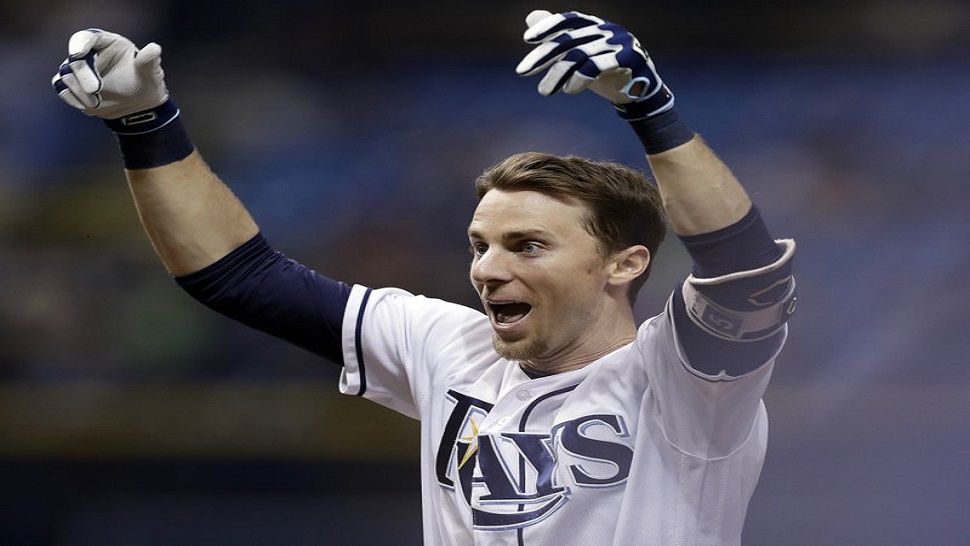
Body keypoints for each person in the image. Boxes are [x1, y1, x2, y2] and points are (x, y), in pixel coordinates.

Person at [52, 9, 796, 545]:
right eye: (481, 244)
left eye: (528, 246)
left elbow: (748, 275)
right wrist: (146, 123)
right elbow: (239, 276)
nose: (488, 268)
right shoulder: (450, 346)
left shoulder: (689, 383)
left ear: (624, 263)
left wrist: (648, 105)